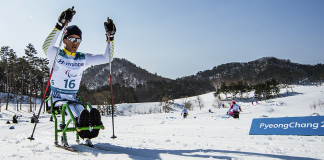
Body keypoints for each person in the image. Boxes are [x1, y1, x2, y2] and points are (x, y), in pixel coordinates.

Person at [42, 7, 116, 144]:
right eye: (71, 38)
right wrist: (60, 24)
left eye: (78, 40)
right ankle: (81, 127)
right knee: (73, 111)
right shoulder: (56, 54)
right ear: (64, 40)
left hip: (73, 98)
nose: (75, 43)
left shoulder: (83, 58)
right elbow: (46, 46)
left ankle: (90, 129)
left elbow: (107, 58)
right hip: (57, 99)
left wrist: (110, 38)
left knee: (83, 111)